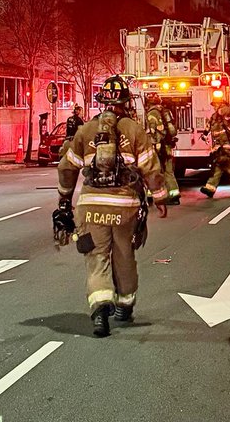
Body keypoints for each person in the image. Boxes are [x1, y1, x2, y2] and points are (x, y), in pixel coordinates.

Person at [54, 76, 168, 337]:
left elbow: (67, 168)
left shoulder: (85, 131)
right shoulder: (134, 130)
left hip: (91, 206)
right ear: (126, 102)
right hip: (125, 207)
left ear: (101, 101)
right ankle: (124, 306)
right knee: (124, 255)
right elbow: (150, 167)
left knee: (97, 258)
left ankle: (100, 311)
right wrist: (160, 197)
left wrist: (64, 199)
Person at [144, 91, 181, 205]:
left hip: (158, 148)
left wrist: (152, 146)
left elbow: (152, 132)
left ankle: (151, 196)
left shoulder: (152, 114)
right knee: (169, 172)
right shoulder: (166, 112)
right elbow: (172, 131)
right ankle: (174, 195)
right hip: (168, 147)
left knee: (153, 171)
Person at [200, 100, 230, 197]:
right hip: (219, 147)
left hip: (226, 147)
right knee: (220, 166)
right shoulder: (214, 117)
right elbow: (208, 126)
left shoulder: (226, 115)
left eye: (215, 106)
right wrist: (204, 134)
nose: (214, 108)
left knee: (227, 166)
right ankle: (210, 188)